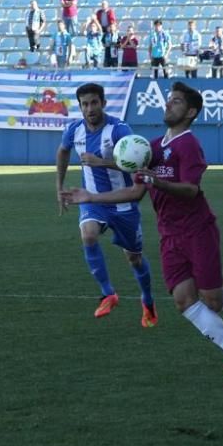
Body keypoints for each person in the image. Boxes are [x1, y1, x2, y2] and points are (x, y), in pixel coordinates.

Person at [63, 82, 223, 379]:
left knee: (214, 302)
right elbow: (135, 192)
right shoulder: (154, 147)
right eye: (169, 100)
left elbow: (190, 190)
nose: (169, 104)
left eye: (177, 101)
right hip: (169, 235)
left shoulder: (188, 145)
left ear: (191, 111)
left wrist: (156, 181)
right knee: (184, 301)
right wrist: (91, 197)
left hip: (198, 231)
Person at [56, 83, 158, 327]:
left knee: (134, 258)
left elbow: (139, 163)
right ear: (80, 106)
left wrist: (101, 162)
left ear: (103, 103)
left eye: (93, 102)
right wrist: (58, 187)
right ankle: (108, 293)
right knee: (88, 235)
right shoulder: (74, 130)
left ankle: (147, 301)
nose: (89, 108)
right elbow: (62, 152)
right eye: (84, 104)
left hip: (122, 202)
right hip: (91, 200)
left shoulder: (119, 130)